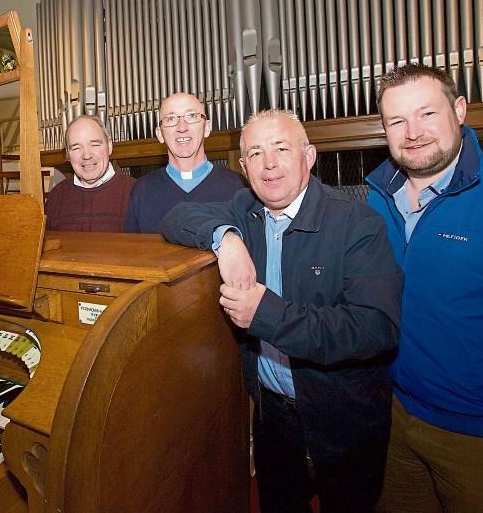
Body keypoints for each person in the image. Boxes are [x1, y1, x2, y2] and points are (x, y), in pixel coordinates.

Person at [161, 110, 403, 513]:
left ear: (308, 156)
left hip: (344, 420)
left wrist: (266, 314)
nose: (268, 163)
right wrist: (228, 241)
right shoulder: (246, 208)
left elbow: (375, 328)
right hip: (273, 419)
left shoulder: (357, 223)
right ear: (243, 167)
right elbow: (177, 217)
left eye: (280, 148)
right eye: (255, 153)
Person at [366, 63, 483, 513]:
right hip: (399, 419)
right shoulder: (375, 200)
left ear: (459, 110)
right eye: (397, 121)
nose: (413, 132)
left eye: (427, 114)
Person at [124, 92, 244, 233]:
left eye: (192, 116)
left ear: (207, 127)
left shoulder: (238, 187)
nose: (182, 127)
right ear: (160, 134)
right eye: (171, 119)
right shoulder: (142, 190)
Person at [45, 114, 135, 231]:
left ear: (109, 146)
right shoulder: (57, 196)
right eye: (76, 148)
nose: (86, 155)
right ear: (67, 153)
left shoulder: (136, 192)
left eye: (95, 145)